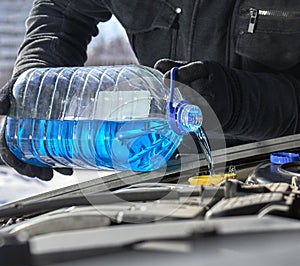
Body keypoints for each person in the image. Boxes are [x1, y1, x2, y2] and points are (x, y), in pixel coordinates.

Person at [0, 0, 299, 180]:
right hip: (165, 165)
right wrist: (34, 80)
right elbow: (64, 10)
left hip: (282, 174)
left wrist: (239, 100)